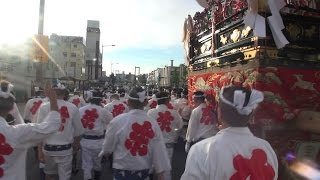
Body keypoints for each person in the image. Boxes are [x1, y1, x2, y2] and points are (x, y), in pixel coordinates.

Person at [181, 86, 278, 180]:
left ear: (220, 112)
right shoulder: (266, 148)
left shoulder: (202, 150)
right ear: (251, 114)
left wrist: (188, 140)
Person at [99, 87, 171, 180]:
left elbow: (108, 146)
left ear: (128, 102)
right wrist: (161, 174)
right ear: (145, 102)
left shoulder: (117, 121)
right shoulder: (152, 123)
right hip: (143, 171)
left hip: (121, 170)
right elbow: (159, 150)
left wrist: (105, 152)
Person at [0, 84, 62, 180]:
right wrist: (53, 100)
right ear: (12, 106)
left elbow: (26, 117)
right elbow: (52, 125)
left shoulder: (18, 131)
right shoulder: (16, 133)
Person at [37, 83, 84, 180]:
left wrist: (39, 151)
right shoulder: (72, 107)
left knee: (49, 175)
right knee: (65, 176)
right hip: (65, 149)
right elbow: (79, 130)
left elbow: (39, 131)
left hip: (48, 149)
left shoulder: (44, 107)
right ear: (65, 94)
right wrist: (76, 143)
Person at [147, 91, 183, 180]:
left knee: (149, 169)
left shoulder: (150, 113)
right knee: (165, 171)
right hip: (168, 145)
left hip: (152, 145)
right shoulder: (174, 113)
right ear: (167, 100)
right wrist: (174, 137)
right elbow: (180, 127)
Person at [79, 90, 113, 180]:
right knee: (97, 162)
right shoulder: (102, 110)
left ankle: (88, 177)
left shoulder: (81, 110)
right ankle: (97, 175)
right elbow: (111, 121)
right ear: (100, 100)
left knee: (87, 163)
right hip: (98, 141)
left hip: (85, 140)